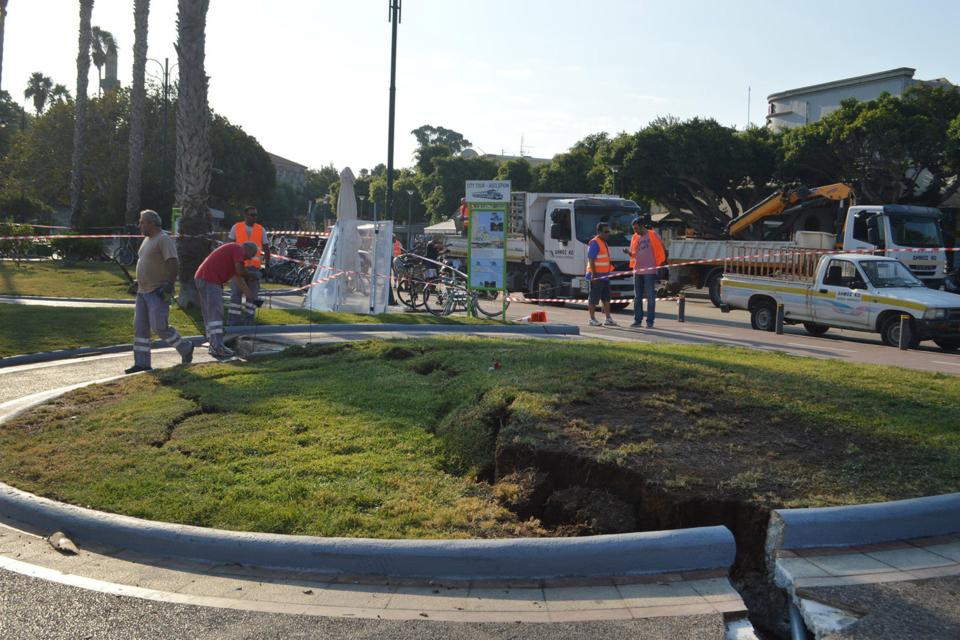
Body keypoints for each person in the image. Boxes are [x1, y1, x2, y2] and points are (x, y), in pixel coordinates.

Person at [125, 210, 195, 374]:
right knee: (140, 328)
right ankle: (142, 363)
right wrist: (137, 281)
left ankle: (185, 347)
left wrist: (170, 283)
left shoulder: (163, 239)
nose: (139, 225)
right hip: (142, 292)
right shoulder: (146, 241)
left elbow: (173, 262)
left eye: (142, 222)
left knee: (159, 326)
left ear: (151, 223)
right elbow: (146, 263)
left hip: (158, 291)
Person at [194, 241, 260, 358]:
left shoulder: (233, 254)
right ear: (247, 248)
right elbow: (240, 272)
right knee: (216, 314)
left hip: (202, 278)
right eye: (251, 254)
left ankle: (214, 344)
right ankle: (217, 347)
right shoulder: (238, 249)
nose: (249, 258)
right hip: (210, 280)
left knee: (210, 314)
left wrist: (250, 296)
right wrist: (253, 275)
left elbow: (238, 278)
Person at [226, 206, 270, 325]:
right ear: (245, 215)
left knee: (252, 296)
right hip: (238, 267)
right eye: (252, 215)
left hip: (254, 268)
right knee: (236, 295)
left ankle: (247, 323)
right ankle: (232, 322)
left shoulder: (261, 229)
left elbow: (266, 248)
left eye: (256, 215)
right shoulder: (236, 227)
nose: (254, 217)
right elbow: (229, 245)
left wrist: (267, 266)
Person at [628, 214, 667, 328]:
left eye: (636, 228)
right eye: (633, 229)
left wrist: (659, 266)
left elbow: (661, 249)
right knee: (637, 297)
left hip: (650, 271)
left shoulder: (652, 235)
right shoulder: (635, 237)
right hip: (637, 271)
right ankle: (637, 320)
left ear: (641, 226)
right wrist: (629, 253)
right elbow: (634, 253)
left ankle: (650, 321)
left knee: (650, 296)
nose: (635, 231)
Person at [586, 222, 618, 327]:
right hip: (596, 276)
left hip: (605, 276)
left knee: (606, 298)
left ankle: (608, 318)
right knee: (594, 298)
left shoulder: (603, 242)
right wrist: (594, 274)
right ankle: (592, 319)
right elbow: (591, 259)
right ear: (599, 232)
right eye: (606, 232)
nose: (608, 234)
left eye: (609, 231)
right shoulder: (595, 242)